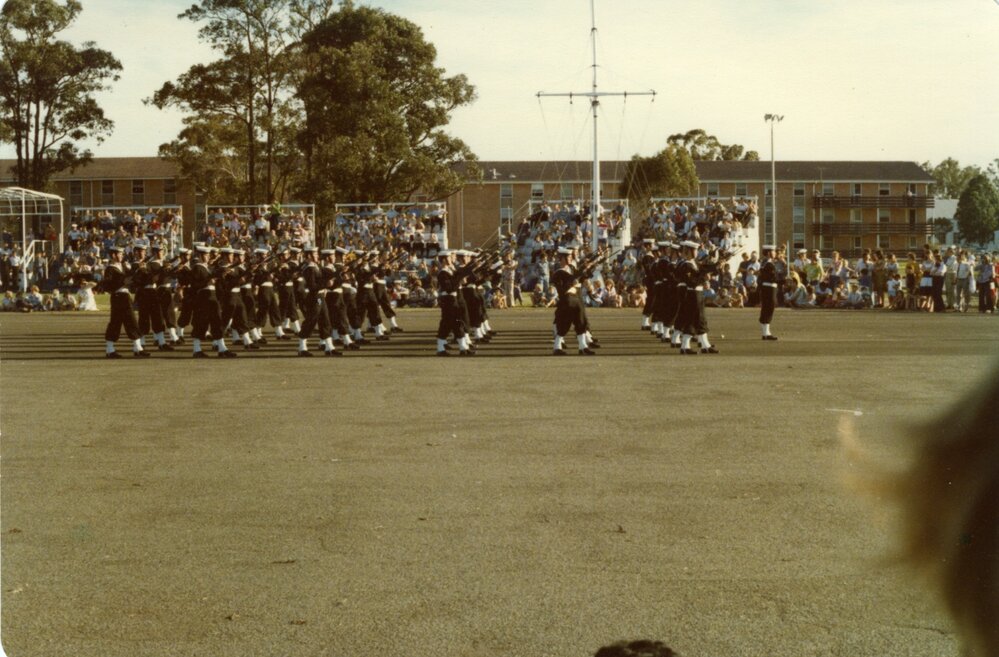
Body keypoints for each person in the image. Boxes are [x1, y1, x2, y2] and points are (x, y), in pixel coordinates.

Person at [100, 246, 149, 358]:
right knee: (117, 322)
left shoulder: (122, 266)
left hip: (125, 296)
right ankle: (112, 349)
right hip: (118, 296)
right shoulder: (110, 269)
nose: (122, 256)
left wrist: (138, 270)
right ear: (113, 255)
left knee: (129, 321)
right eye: (120, 253)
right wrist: (122, 282)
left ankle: (136, 348)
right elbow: (107, 286)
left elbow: (131, 278)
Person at [758, 244, 779, 340]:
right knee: (769, 309)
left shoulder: (765, 263)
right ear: (769, 253)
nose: (775, 253)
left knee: (766, 309)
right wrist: (784, 280)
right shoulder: (769, 264)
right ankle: (766, 333)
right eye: (773, 251)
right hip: (770, 288)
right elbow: (773, 278)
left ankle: (765, 332)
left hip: (766, 288)